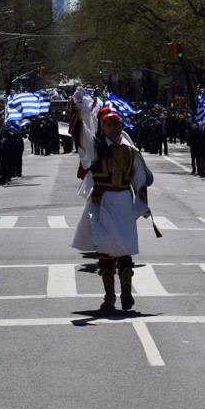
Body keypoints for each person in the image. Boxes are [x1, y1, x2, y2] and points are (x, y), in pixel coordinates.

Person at [69, 89, 152, 311]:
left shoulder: (131, 151)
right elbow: (80, 131)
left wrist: (141, 205)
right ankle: (109, 297)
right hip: (103, 202)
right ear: (103, 128)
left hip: (124, 202)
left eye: (117, 124)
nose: (114, 128)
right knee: (105, 248)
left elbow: (140, 180)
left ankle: (126, 293)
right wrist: (78, 107)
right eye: (109, 125)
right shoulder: (95, 147)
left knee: (124, 248)